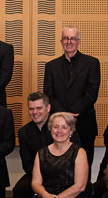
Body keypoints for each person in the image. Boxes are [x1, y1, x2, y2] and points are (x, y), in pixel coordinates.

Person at [43, 24, 101, 167]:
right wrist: (64, 115)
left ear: (78, 41)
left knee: (84, 165)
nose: (69, 42)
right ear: (61, 41)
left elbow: (91, 92)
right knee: (59, 166)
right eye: (66, 38)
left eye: (73, 38)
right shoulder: (51, 66)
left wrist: (74, 113)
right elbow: (48, 94)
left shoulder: (92, 63)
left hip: (84, 123)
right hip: (58, 125)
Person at [14, 92, 53, 198]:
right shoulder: (24, 132)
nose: (34, 112)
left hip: (57, 174)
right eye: (31, 109)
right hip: (34, 175)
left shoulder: (58, 128)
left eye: (39, 108)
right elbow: (27, 163)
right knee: (19, 189)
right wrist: (39, 179)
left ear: (48, 108)